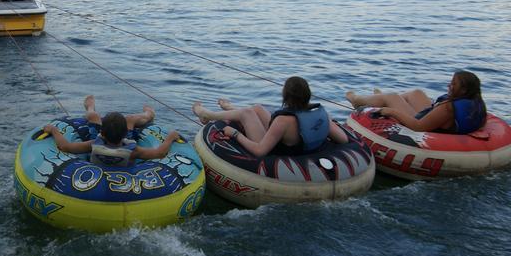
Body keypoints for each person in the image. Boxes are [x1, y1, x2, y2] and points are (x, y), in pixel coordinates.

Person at [192, 76, 348, 157]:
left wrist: (235, 134)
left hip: (279, 150)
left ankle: (208, 115)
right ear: (307, 95)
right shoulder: (321, 114)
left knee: (247, 114)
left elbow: (260, 151)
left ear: (285, 95)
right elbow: (343, 139)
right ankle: (230, 108)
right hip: (296, 141)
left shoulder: (283, 120)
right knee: (258, 109)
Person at [43, 96, 181, 167]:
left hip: (101, 147)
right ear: (126, 134)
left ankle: (90, 107)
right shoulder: (133, 150)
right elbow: (160, 153)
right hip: (123, 148)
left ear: (101, 133)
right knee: (131, 118)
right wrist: (171, 137)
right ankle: (148, 115)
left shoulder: (93, 143)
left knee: (92, 117)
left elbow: (65, 146)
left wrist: (54, 130)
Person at [345, 70, 487, 133]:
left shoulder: (449, 108)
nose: (449, 86)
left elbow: (418, 126)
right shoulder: (474, 100)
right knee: (416, 93)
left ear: (463, 90)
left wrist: (390, 111)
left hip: (420, 123)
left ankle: (357, 100)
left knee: (392, 97)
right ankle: (379, 99)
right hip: (433, 117)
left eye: (453, 84)